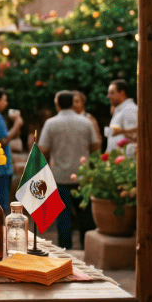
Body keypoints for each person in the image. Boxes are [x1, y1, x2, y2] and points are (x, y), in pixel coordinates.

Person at [38, 92, 98, 249]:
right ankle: (88, 248)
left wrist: (53, 158)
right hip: (82, 175)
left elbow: (43, 148)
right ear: (72, 103)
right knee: (86, 215)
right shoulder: (86, 122)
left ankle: (66, 249)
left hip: (60, 175)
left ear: (57, 104)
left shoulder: (51, 123)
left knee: (63, 216)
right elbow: (96, 145)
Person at [106, 79, 138, 155]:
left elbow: (135, 136)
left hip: (126, 162)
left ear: (122, 93)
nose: (108, 96)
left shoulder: (130, 109)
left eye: (112, 93)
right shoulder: (121, 110)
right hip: (119, 162)